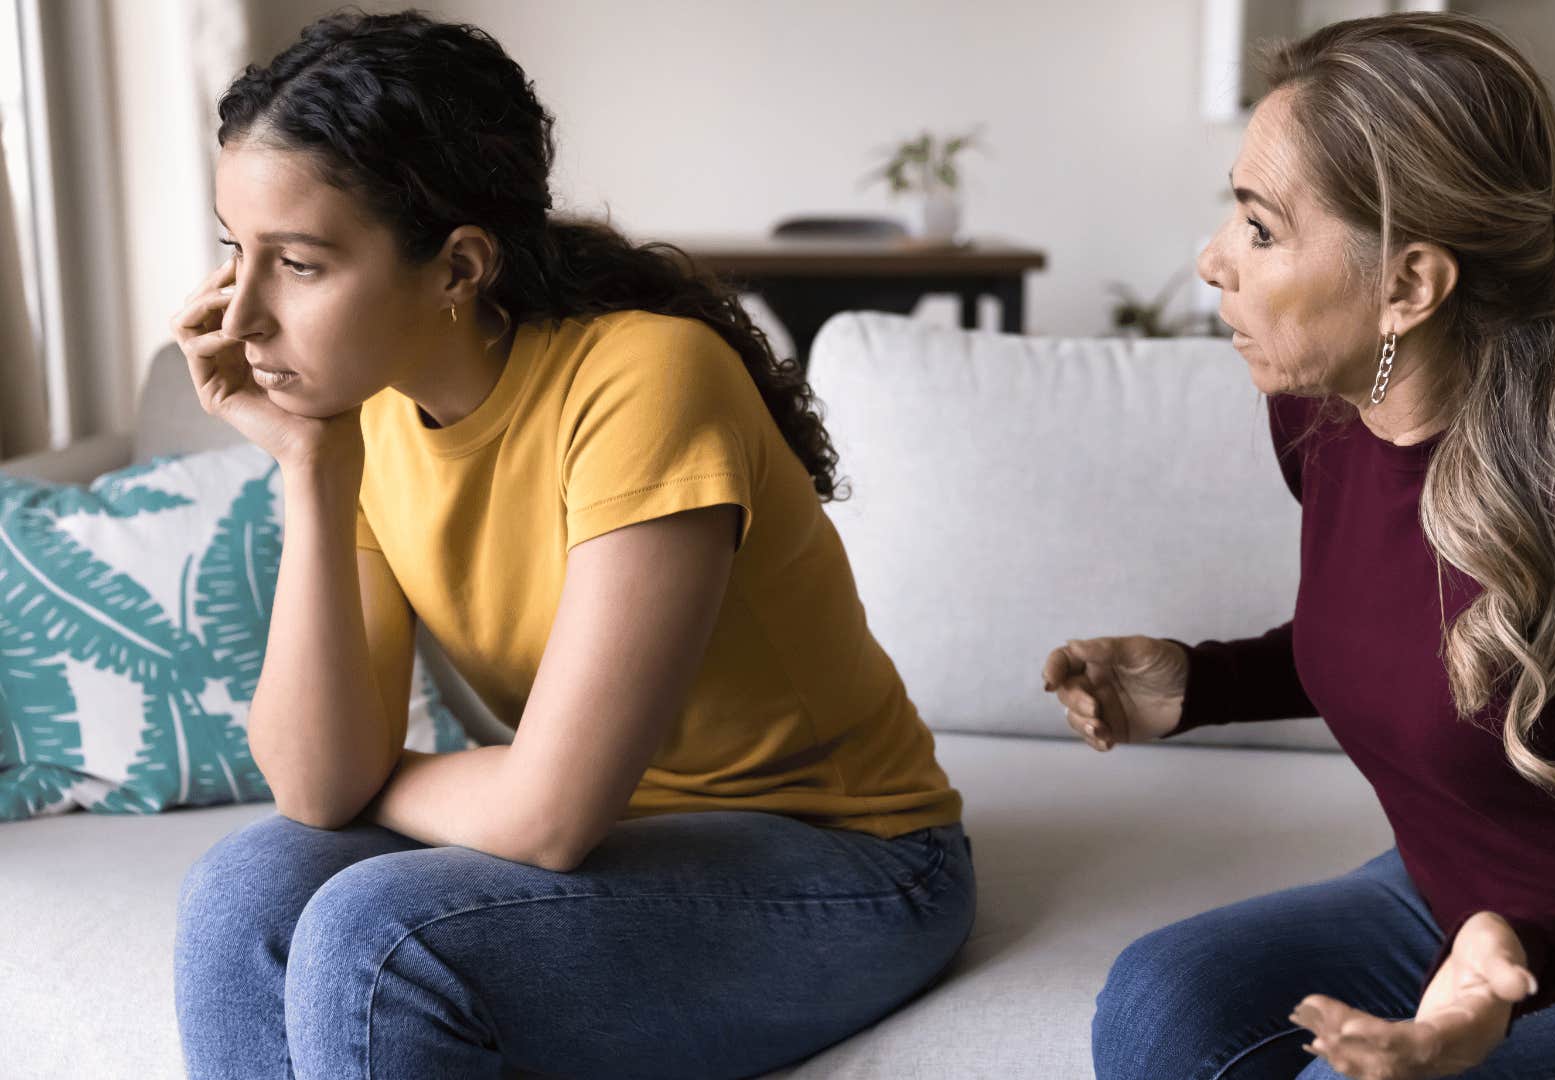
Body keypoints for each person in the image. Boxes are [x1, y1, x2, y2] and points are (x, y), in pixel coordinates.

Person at [1042, 13, 1555, 1079]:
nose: (1213, 260)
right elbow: (1436, 638)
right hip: (1463, 911)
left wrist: (1522, 958)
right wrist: (1205, 682)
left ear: (1409, 286)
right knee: (1158, 1002)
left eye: (1261, 228)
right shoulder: (1327, 416)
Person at [170, 10, 972, 1078]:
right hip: (623, 843)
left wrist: (397, 779)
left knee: (378, 937)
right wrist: (311, 470)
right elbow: (317, 787)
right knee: (243, 890)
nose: (244, 315)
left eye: (302, 264)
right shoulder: (361, 416)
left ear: (458, 268)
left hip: (852, 858)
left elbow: (547, 819)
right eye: (238, 252)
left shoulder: (645, 382)